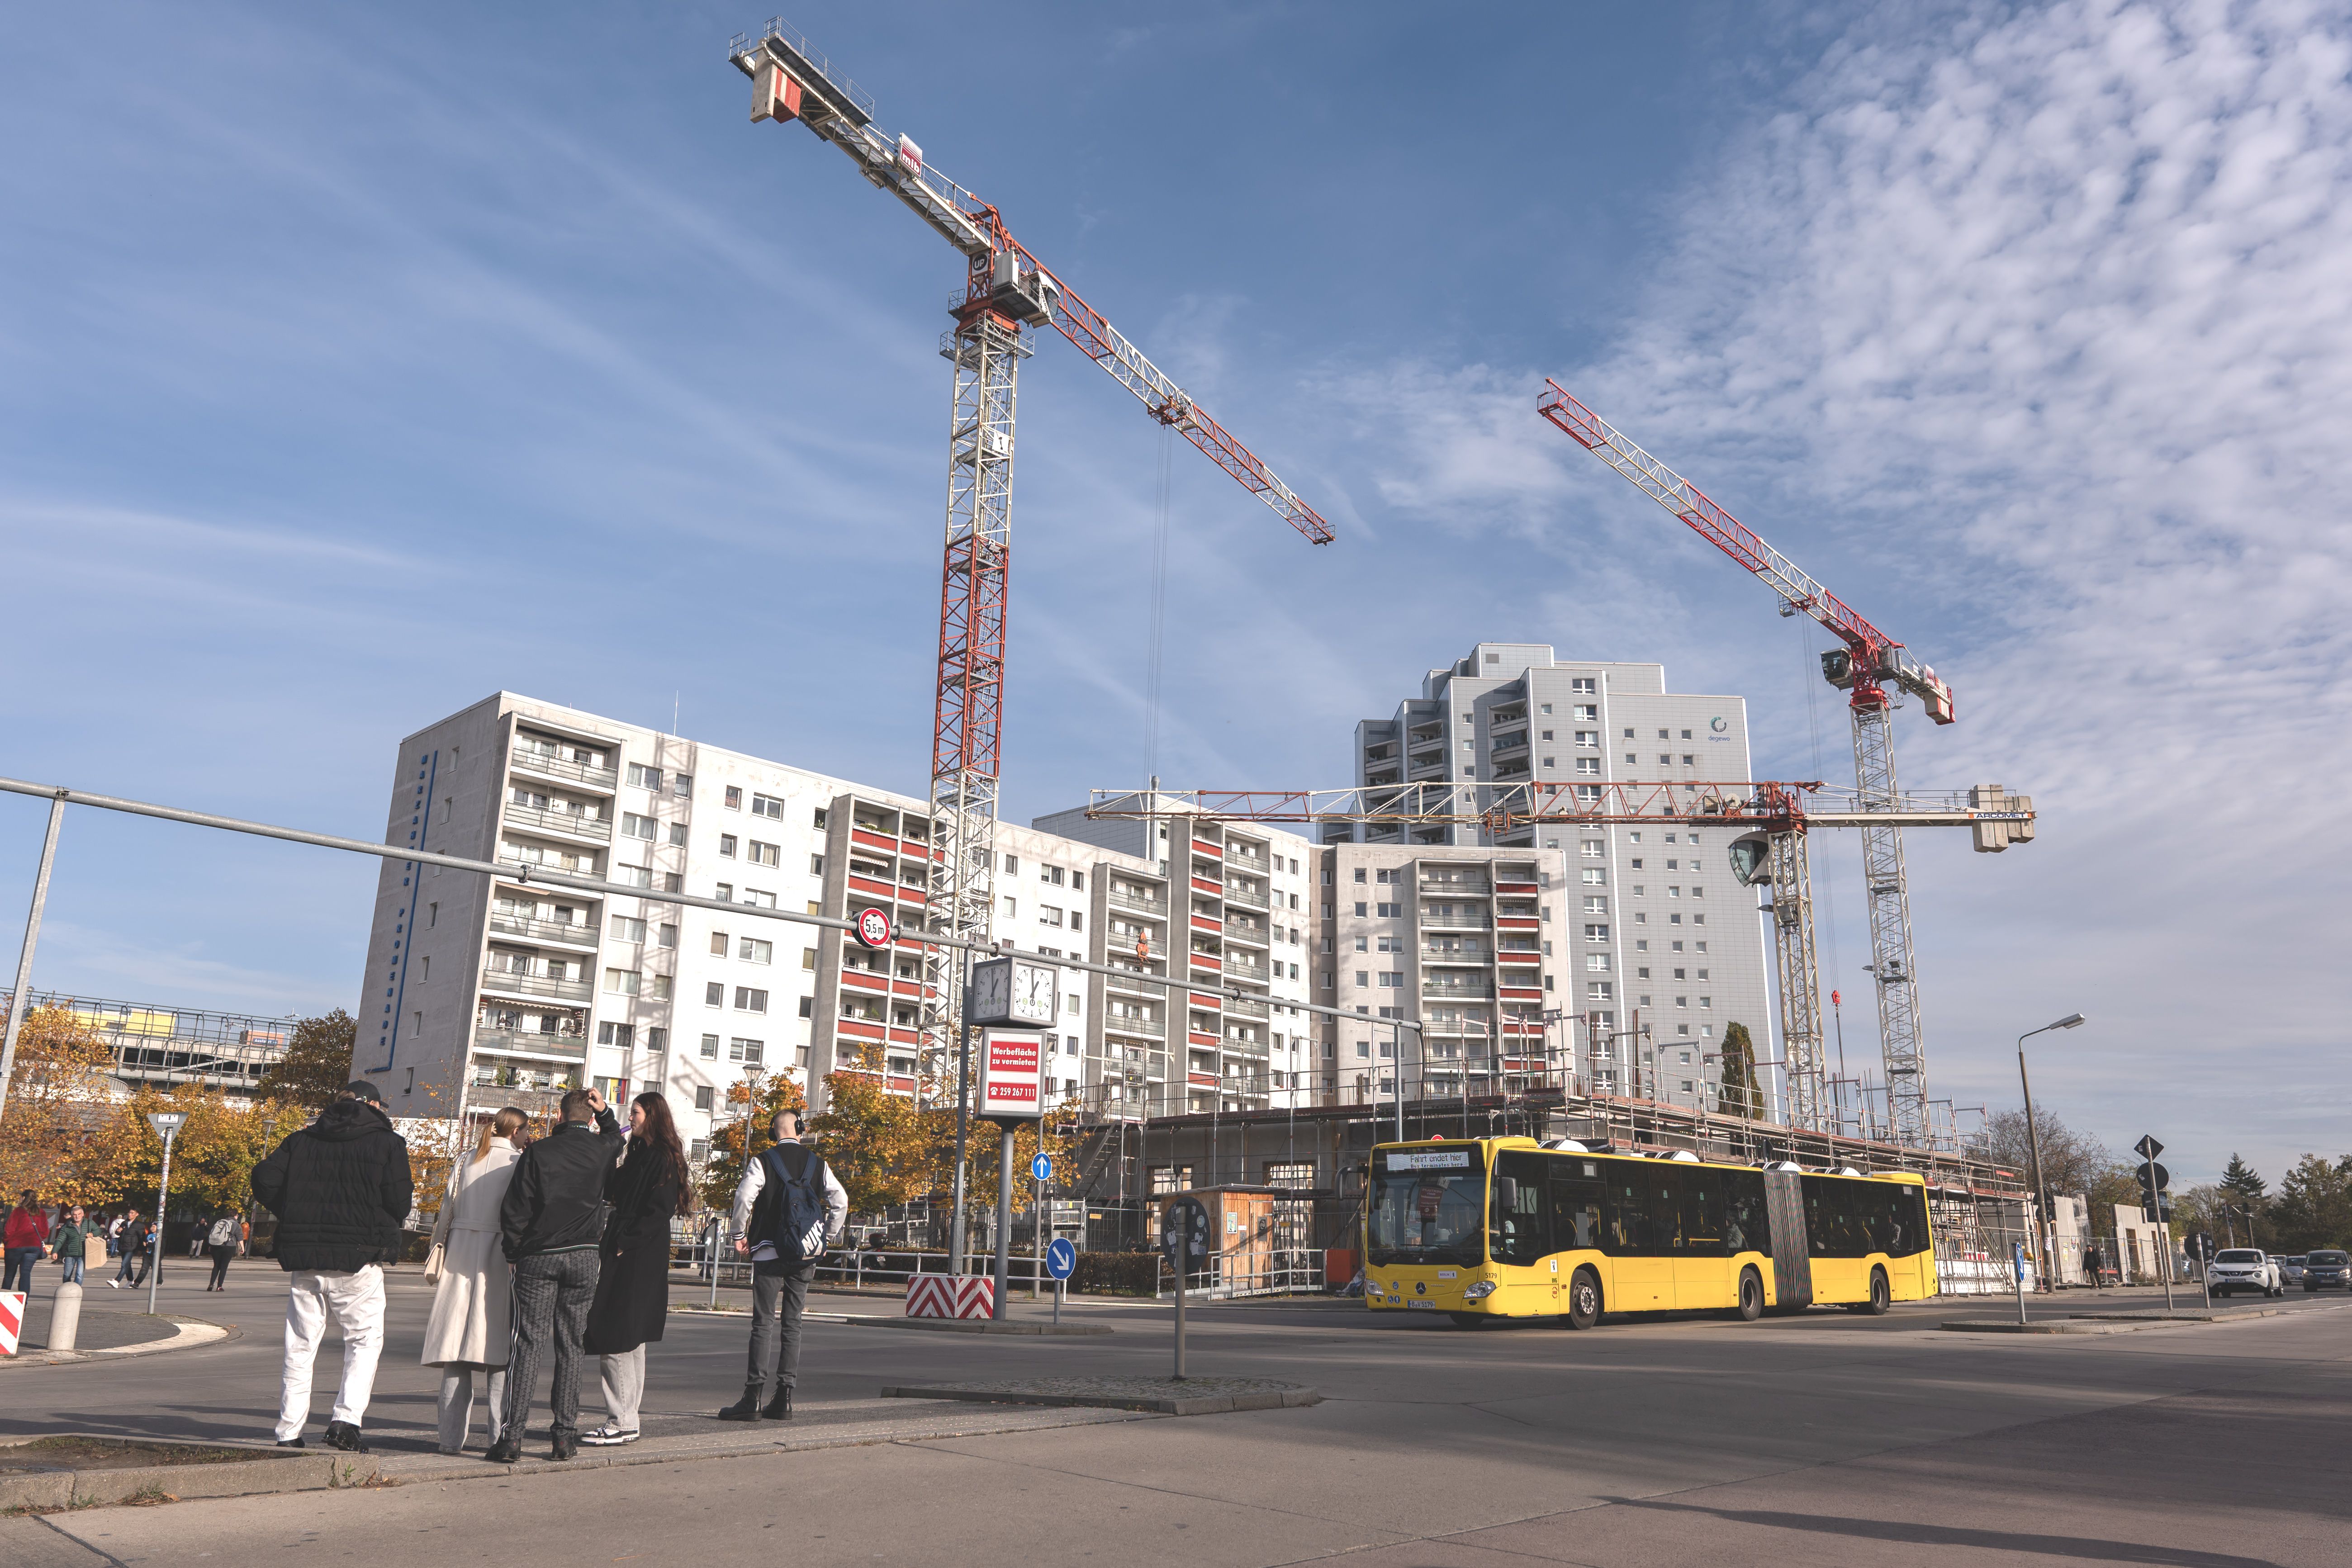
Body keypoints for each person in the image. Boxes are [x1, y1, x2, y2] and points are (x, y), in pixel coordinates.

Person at [250, 1080, 413, 1453]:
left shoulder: (301, 1139)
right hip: (359, 1258)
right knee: (363, 1341)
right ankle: (345, 1421)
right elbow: (399, 1202)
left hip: (306, 1258)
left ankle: (288, 1430)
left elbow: (265, 1178)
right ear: (374, 1105)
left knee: (300, 1345)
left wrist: (292, 1212)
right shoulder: (388, 1143)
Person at [490, 1087, 622, 1463]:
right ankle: (563, 1437)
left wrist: (513, 1252)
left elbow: (515, 1208)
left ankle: (512, 1439)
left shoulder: (539, 1152)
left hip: (540, 1256)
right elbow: (616, 1136)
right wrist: (605, 1112)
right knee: (572, 1346)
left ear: (559, 1116)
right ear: (590, 1118)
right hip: (584, 1255)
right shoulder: (602, 1148)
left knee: (528, 1344)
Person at [718, 1109, 845, 1422]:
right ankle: (784, 1397)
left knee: (763, 1323)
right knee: (793, 1324)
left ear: (773, 1131)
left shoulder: (763, 1160)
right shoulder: (818, 1163)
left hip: (768, 1253)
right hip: (805, 1255)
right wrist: (824, 1238)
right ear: (800, 1129)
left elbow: (744, 1197)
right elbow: (841, 1201)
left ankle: (752, 1397)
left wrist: (739, 1234)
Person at [582, 1093, 691, 1446]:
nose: (633, 1118)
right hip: (633, 1248)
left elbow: (659, 1210)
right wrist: (606, 1126)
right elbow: (613, 1188)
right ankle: (627, 1418)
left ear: (653, 1115)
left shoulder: (660, 1156)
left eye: (637, 1112)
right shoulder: (643, 1152)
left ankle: (623, 1420)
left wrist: (624, 1241)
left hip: (635, 1252)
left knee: (616, 1332)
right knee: (630, 1338)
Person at [420, 1107, 526, 1455]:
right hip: (500, 1256)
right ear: (516, 1131)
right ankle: (498, 1438)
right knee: (499, 1355)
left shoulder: (466, 1159)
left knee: (456, 1353)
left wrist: (438, 1246)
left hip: (459, 1253)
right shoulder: (518, 1163)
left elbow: (446, 1210)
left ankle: (449, 1439)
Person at [3, 1191, 48, 1292]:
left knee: (9, 1275)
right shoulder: (41, 1212)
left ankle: (4, 1299)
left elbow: (9, 1230)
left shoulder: (18, 1211)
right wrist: (36, 1240)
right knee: (26, 1274)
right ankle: (24, 1300)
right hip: (34, 1246)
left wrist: (7, 1243)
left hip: (16, 1245)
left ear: (24, 1198)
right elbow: (45, 1232)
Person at [203, 1210, 246, 1292]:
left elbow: (214, 1234)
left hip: (215, 1246)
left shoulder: (220, 1222)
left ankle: (211, 1284)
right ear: (236, 1216)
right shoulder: (236, 1224)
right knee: (224, 1266)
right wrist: (242, 1248)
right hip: (229, 1247)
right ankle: (219, 1287)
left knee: (216, 1266)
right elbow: (240, 1237)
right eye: (238, 1216)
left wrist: (211, 1245)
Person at [51, 1204, 90, 1286]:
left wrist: (93, 1234)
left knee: (79, 1275)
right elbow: (60, 1239)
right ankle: (67, 1288)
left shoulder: (89, 1223)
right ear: (72, 1215)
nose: (77, 1216)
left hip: (83, 1254)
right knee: (67, 1275)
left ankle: (76, 1290)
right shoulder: (67, 1226)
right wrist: (55, 1251)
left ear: (83, 1214)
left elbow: (98, 1231)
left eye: (79, 1214)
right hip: (70, 1253)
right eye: (75, 1215)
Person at [109, 1209, 149, 1288]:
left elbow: (142, 1237)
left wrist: (142, 1249)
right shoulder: (124, 1223)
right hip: (123, 1246)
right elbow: (119, 1233)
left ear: (137, 1214)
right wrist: (118, 1231)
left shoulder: (139, 1225)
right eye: (129, 1213)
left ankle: (117, 1281)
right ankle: (130, 1281)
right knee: (128, 1265)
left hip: (132, 1247)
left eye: (132, 1213)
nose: (130, 1214)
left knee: (124, 1264)